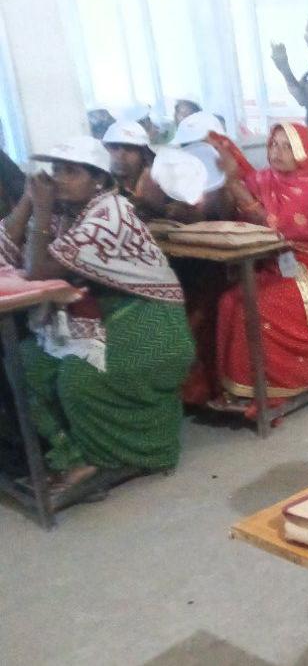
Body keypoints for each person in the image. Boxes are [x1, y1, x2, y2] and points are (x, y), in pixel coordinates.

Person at [1, 136, 192, 501]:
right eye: (55, 170)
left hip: (148, 315)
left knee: (79, 380)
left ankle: (118, 458)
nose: (58, 179)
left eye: (70, 172)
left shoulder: (111, 214)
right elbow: (5, 250)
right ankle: (73, 456)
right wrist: (28, 200)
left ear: (99, 180)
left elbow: (38, 271)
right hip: (99, 314)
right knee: (26, 362)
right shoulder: (63, 210)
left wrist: (41, 210)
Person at [209, 121, 308, 405]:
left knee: (257, 306)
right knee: (229, 301)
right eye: (274, 145)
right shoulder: (265, 178)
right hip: (276, 264)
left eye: (287, 146)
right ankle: (244, 385)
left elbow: (274, 226)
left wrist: (233, 184)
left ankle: (274, 383)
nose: (277, 152)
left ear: (303, 151)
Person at [270, 11, 308, 128]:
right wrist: (284, 68)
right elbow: (300, 94)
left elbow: (304, 98)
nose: (305, 34)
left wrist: (284, 67)